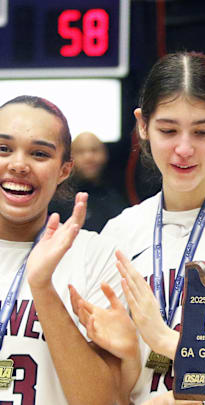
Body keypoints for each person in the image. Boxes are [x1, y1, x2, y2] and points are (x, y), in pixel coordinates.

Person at [72, 52, 205, 404]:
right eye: (168, 130)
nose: (184, 149)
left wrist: (167, 341)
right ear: (142, 126)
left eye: (201, 131)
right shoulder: (120, 233)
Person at [0, 95, 127, 404]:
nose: (18, 164)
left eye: (39, 153)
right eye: (3, 149)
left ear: (64, 170)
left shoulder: (97, 257)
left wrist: (42, 287)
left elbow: (101, 401)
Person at [49, 131, 128, 232]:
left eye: (94, 150)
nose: (89, 157)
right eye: (80, 152)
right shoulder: (56, 201)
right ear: (69, 159)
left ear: (105, 154)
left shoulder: (119, 197)